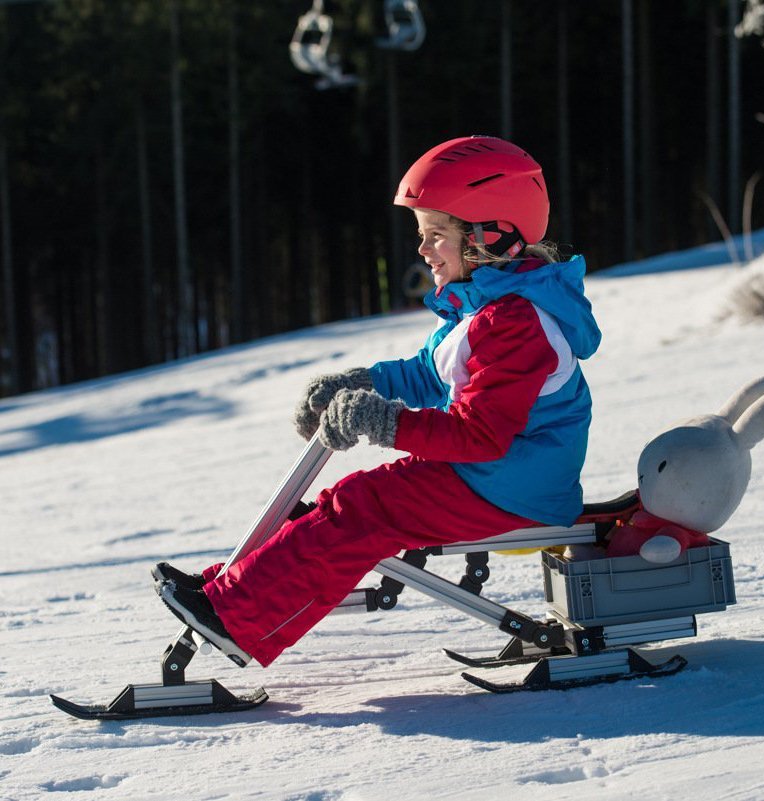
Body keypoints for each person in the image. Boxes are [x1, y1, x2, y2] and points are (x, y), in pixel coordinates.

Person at [154, 135, 602, 669]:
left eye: (437, 235)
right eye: (422, 234)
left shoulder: (518, 323)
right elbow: (424, 374)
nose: (423, 250)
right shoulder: (485, 308)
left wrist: (383, 423)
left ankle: (236, 618)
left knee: (363, 509)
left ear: (491, 237)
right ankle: (229, 593)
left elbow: (481, 434)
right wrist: (361, 383)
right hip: (494, 477)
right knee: (348, 501)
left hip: (514, 488)